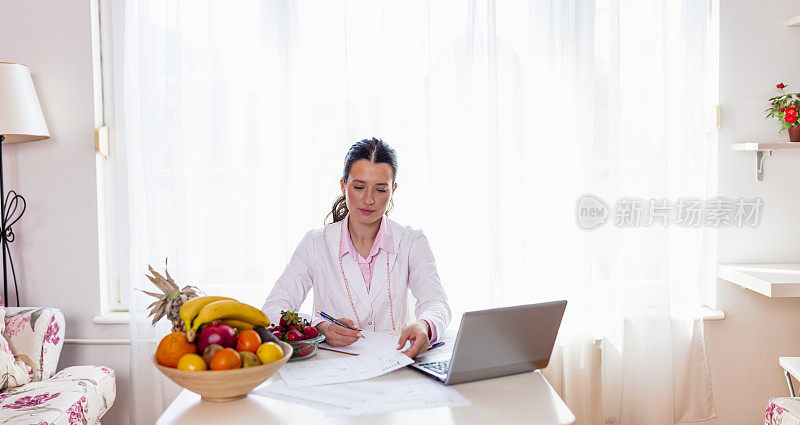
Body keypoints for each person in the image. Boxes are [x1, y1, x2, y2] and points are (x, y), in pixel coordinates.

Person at [263, 138, 451, 358]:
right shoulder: (315, 243)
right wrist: (319, 326)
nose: (368, 200)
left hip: (395, 361)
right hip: (334, 364)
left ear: (393, 190)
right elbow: (274, 309)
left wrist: (425, 325)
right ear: (343, 186)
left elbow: (436, 303)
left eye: (380, 189)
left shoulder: (412, 241)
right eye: (359, 187)